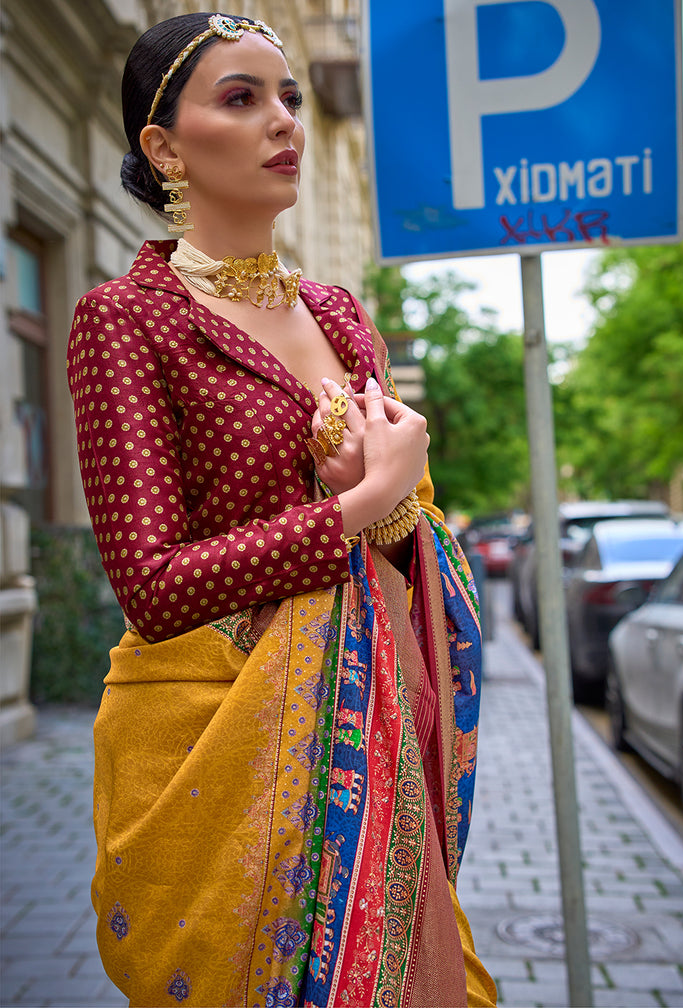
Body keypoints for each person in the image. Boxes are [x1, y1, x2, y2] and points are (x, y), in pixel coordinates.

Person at [66, 12, 496, 1007]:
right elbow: (151, 582)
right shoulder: (126, 319)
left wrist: (396, 516)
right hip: (215, 756)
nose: (283, 123)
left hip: (370, 728)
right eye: (241, 98)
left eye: (290, 99)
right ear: (164, 146)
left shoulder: (342, 314)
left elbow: (404, 542)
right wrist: (358, 508)